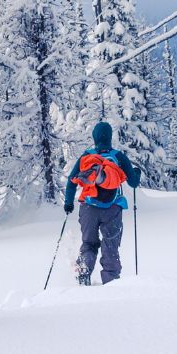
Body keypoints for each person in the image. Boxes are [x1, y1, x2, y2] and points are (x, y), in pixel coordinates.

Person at [64, 121, 142, 286]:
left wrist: (68, 203)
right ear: (110, 137)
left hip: (88, 207)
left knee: (89, 243)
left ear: (95, 137)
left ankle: (83, 276)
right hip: (112, 207)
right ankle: (111, 282)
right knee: (110, 244)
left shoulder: (86, 157)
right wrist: (136, 173)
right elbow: (133, 183)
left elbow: (71, 182)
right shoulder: (118, 156)